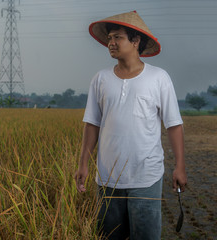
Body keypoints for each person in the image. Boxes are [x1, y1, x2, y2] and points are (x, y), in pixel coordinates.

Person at [74, 11, 187, 240]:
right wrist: (83, 164)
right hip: (107, 178)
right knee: (108, 236)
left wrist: (180, 166)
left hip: (146, 176)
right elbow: (92, 125)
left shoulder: (158, 78)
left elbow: (173, 125)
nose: (111, 43)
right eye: (109, 39)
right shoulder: (101, 79)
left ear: (135, 41)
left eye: (118, 37)